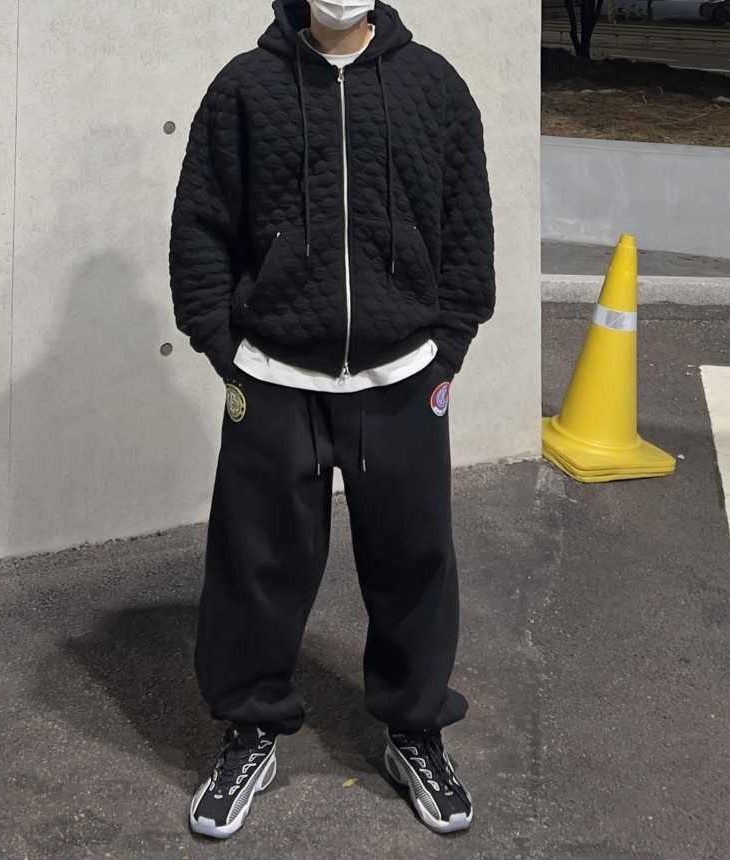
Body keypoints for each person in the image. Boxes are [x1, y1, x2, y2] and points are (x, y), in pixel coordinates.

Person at [169, 0, 494, 839]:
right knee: (255, 566)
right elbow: (202, 224)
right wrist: (225, 348)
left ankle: (414, 730)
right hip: (275, 376)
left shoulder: (434, 87)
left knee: (414, 562)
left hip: (403, 376)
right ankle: (250, 730)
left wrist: (447, 347)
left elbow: (466, 227)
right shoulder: (246, 87)